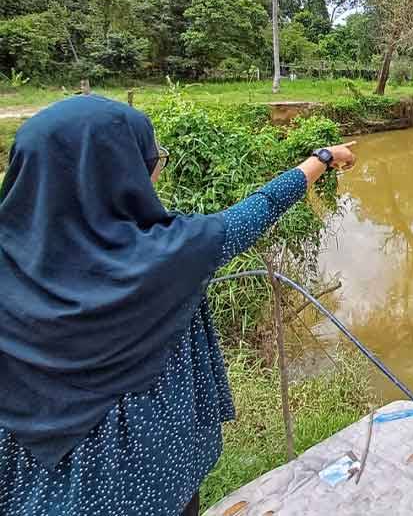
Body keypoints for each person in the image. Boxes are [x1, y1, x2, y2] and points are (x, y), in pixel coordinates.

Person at [0, 96, 357, 516]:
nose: (154, 171)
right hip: (147, 473)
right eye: (150, 160)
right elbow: (260, 208)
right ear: (120, 172)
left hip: (30, 484)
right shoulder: (169, 255)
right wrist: (323, 158)